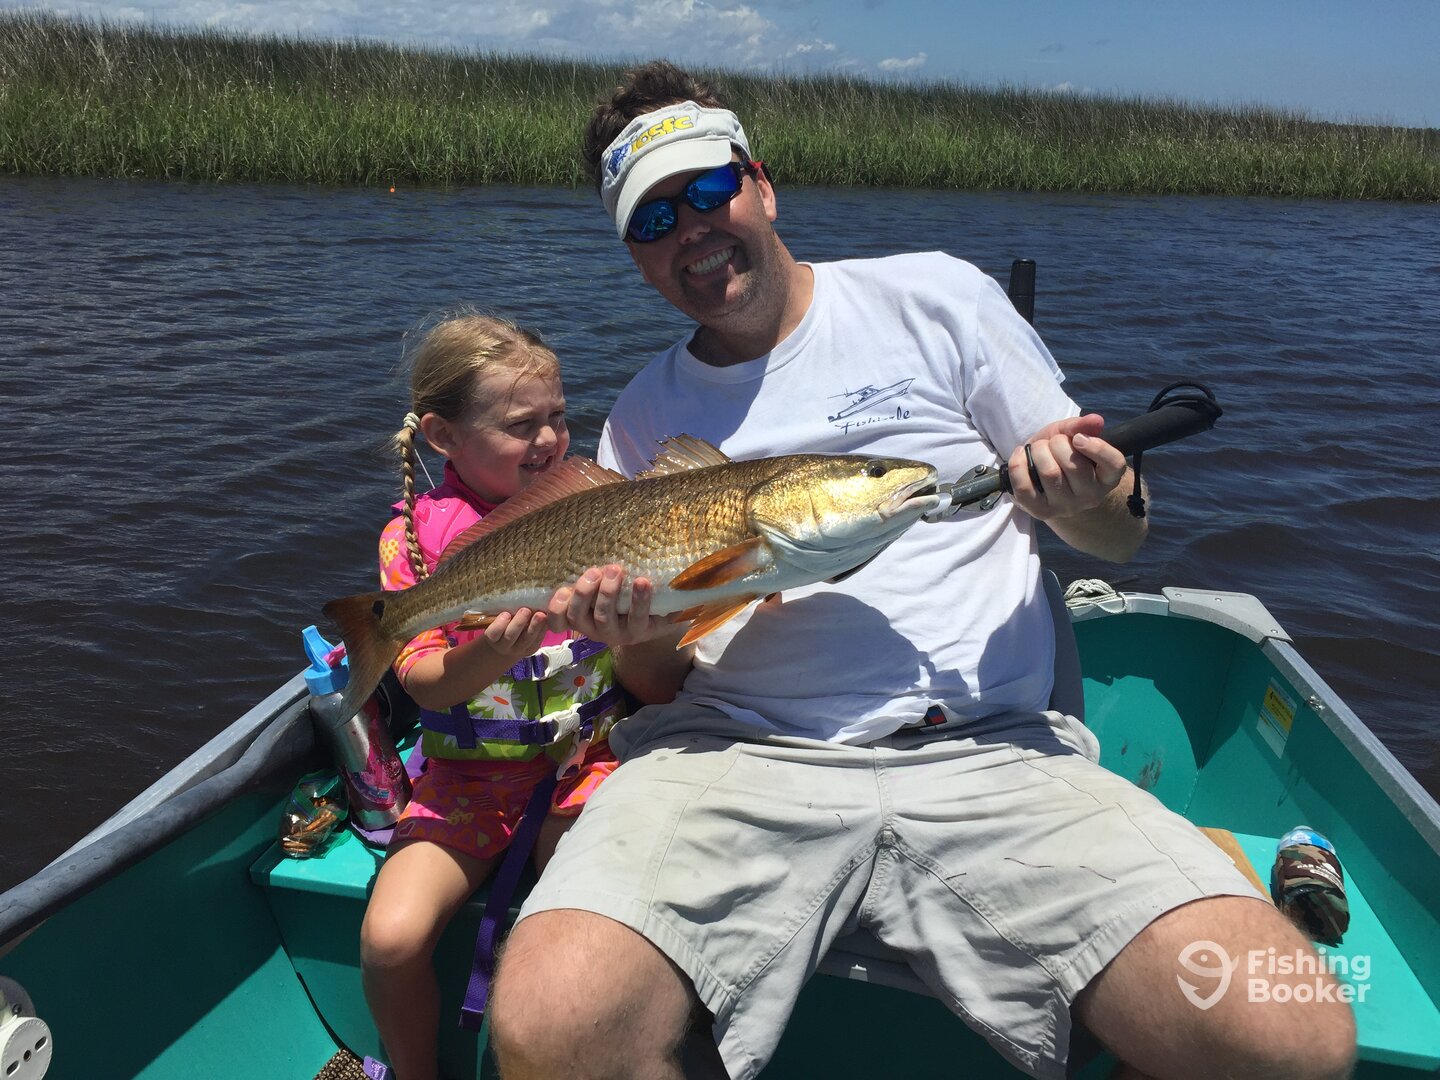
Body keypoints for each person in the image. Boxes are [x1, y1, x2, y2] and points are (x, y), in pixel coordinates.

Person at [489, 63, 1358, 1080]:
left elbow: (1119, 539)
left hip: (993, 755)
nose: (691, 229)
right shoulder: (643, 415)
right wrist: (632, 642)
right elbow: (657, 682)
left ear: (762, 185)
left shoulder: (938, 297)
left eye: (709, 190)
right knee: (550, 1025)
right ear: (636, 257)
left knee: (1291, 1035)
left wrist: (1087, 496)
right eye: (652, 220)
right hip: (729, 754)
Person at [358, 312, 625, 1080]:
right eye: (519, 425)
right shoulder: (412, 539)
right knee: (389, 939)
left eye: (557, 417)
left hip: (586, 764)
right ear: (442, 436)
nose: (549, 439)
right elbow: (421, 681)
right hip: (468, 780)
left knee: (572, 934)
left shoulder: (596, 507)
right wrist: (493, 650)